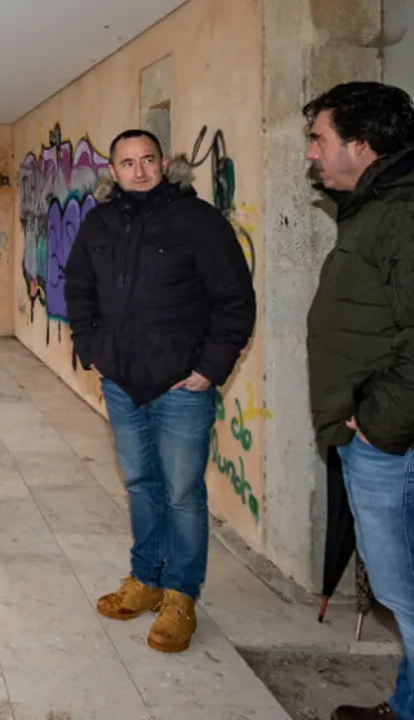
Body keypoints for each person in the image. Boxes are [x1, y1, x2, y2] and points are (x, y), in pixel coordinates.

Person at [64, 128, 256, 653]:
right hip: (122, 384)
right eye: (128, 163)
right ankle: (146, 578)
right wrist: (94, 351)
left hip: (181, 387)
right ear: (113, 171)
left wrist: (210, 369)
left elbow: (235, 301)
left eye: (148, 160)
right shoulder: (99, 223)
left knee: (183, 493)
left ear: (164, 163)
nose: (140, 171)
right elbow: (78, 289)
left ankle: (180, 596)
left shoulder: (199, 221)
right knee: (141, 485)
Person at [303, 81, 414, 720]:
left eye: (319, 139)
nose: (311, 153)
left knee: (403, 589)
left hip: (390, 440)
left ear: (362, 144)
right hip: (376, 433)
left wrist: (377, 423)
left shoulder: (402, 212)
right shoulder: (377, 207)